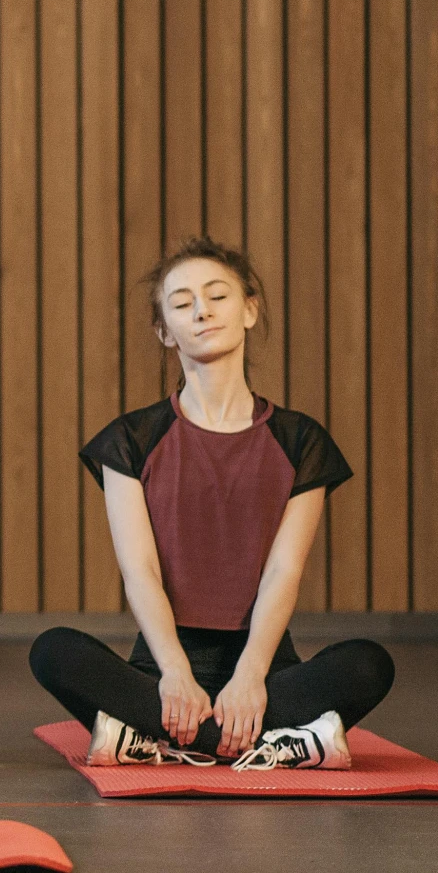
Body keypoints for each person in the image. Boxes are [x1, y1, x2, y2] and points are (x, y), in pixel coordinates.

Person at [29, 238, 394, 770]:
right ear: (164, 331)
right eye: (181, 303)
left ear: (249, 310)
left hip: (265, 665)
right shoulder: (130, 439)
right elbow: (141, 572)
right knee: (53, 650)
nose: (200, 310)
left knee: (369, 664)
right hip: (163, 666)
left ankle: (156, 742)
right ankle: (276, 743)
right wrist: (175, 674)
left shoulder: (301, 440)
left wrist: (249, 679)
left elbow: (283, 574)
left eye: (216, 296)